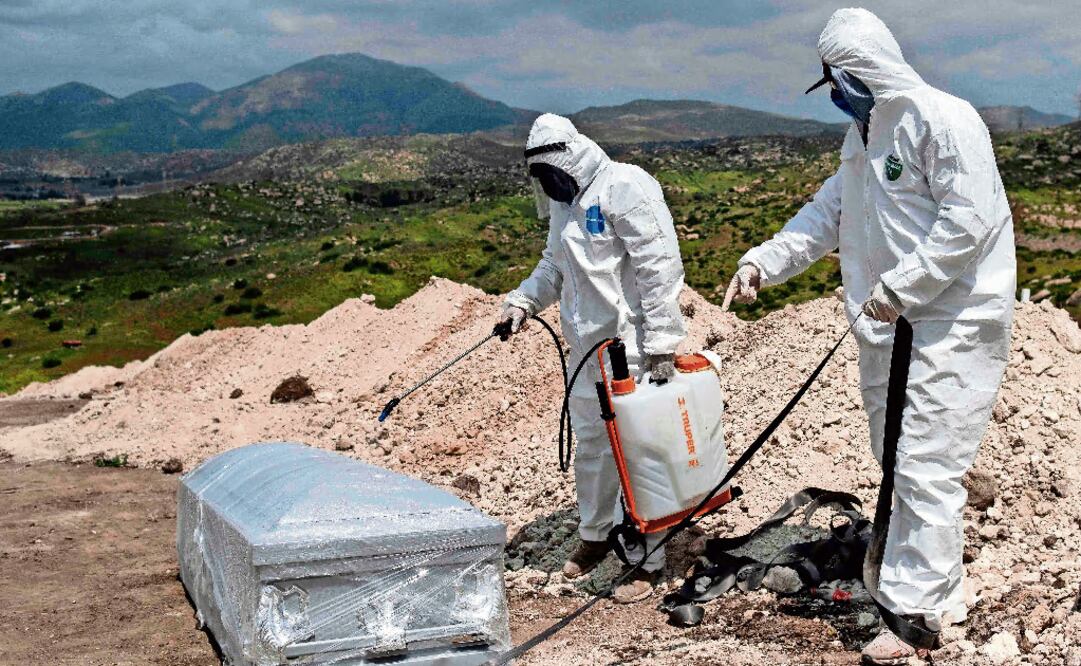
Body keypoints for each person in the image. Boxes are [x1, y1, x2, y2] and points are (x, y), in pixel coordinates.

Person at [722, 8, 1015, 664]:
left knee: (925, 465)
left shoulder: (942, 119)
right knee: (897, 461)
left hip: (948, 325)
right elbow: (827, 212)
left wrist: (902, 287)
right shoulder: (862, 137)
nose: (834, 93)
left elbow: (967, 222)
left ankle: (918, 616)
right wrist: (762, 263)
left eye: (838, 79)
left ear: (863, 70)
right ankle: (923, 582)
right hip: (886, 325)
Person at [500, 113, 687, 604]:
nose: (550, 187)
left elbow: (659, 265)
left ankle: (651, 556)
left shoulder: (625, 186)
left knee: (638, 450)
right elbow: (552, 267)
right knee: (592, 447)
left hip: (633, 350)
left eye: (552, 176)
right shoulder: (566, 206)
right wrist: (522, 302)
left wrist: (663, 344)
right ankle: (595, 535)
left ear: (569, 158)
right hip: (584, 353)